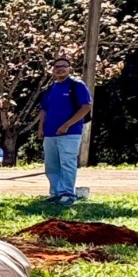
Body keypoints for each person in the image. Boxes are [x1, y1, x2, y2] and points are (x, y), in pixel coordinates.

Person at [39, 57, 93, 204]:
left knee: (67, 163)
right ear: (53, 70)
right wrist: (40, 127)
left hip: (70, 133)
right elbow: (44, 109)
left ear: (70, 68)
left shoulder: (77, 85)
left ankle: (68, 194)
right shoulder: (50, 88)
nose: (60, 69)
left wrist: (67, 125)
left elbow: (86, 107)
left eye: (64, 66)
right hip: (50, 133)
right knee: (51, 165)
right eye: (57, 67)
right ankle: (56, 193)